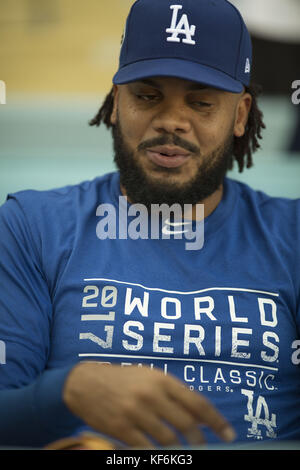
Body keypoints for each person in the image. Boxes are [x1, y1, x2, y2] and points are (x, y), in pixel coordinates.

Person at [0, 0, 299, 449]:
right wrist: (64, 393)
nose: (171, 122)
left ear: (240, 116)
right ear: (116, 102)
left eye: (200, 102)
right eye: (147, 95)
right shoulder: (32, 226)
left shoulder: (291, 235)